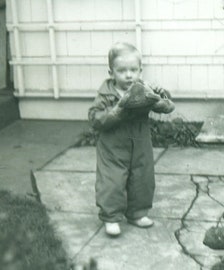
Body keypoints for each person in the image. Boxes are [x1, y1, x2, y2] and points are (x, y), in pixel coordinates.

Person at [88, 42, 175, 236]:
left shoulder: (143, 89)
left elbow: (168, 107)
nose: (128, 75)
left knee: (142, 178)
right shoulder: (106, 94)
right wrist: (117, 109)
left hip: (139, 144)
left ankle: (137, 212)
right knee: (112, 181)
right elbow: (95, 119)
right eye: (122, 71)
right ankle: (111, 217)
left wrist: (160, 95)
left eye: (133, 70)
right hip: (113, 148)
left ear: (140, 70)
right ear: (111, 72)